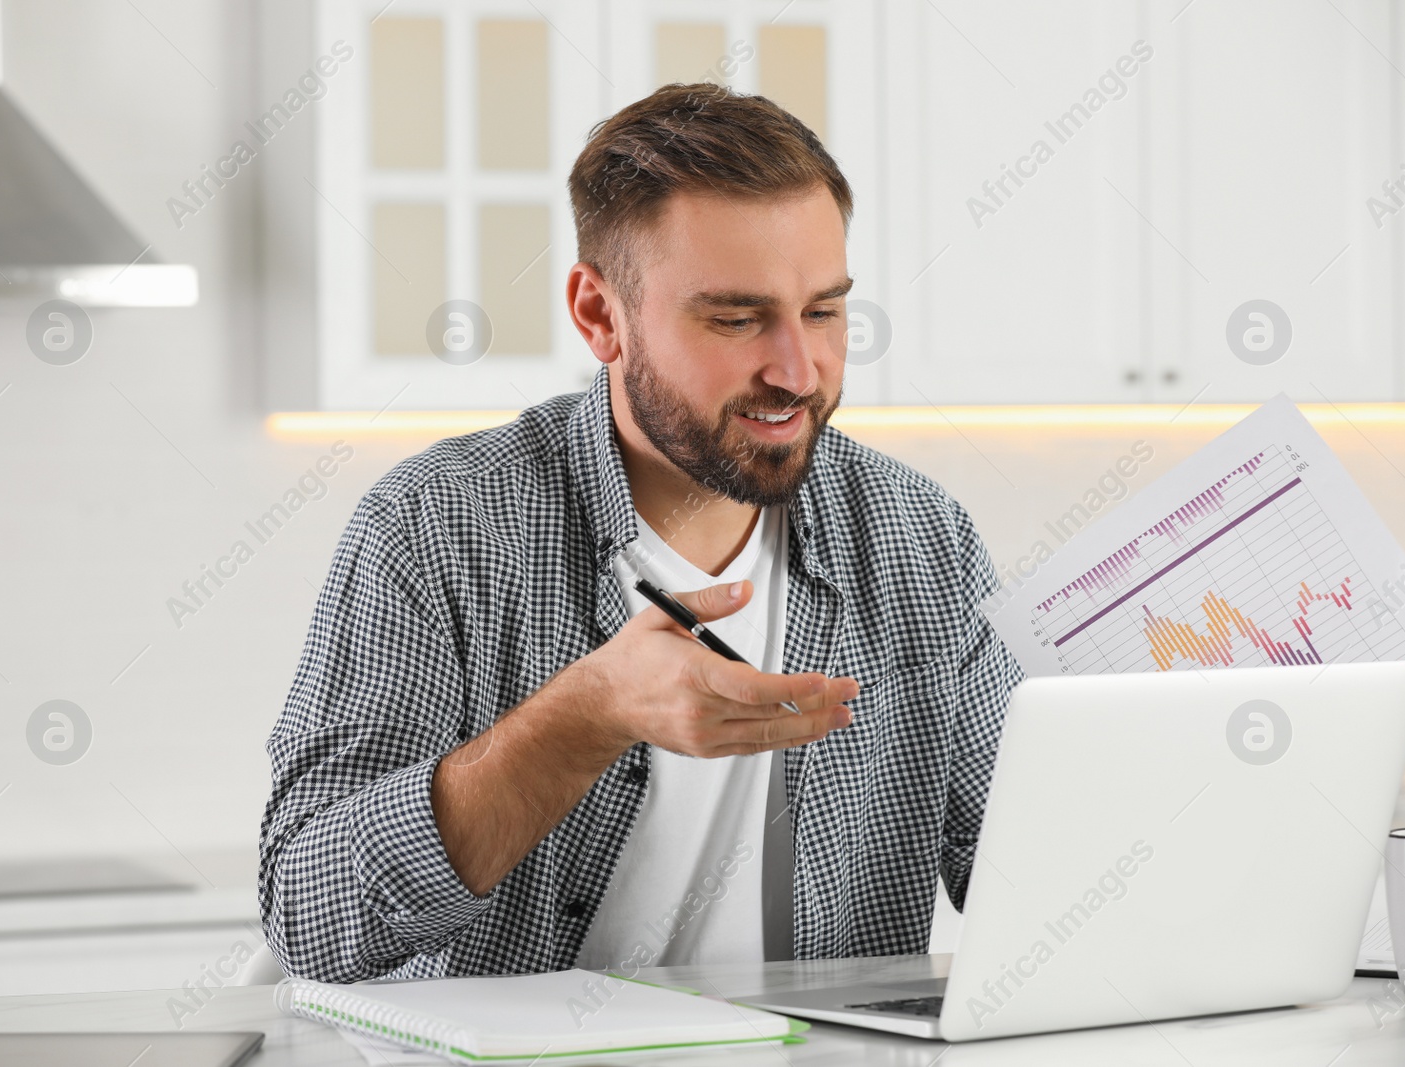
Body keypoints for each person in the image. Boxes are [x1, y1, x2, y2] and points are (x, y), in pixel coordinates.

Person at [259, 82, 1022, 983]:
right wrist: (585, 717)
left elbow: (1030, 862)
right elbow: (308, 913)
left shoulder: (918, 536)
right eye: (735, 319)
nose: (796, 368)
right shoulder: (438, 525)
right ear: (598, 315)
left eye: (822, 311)